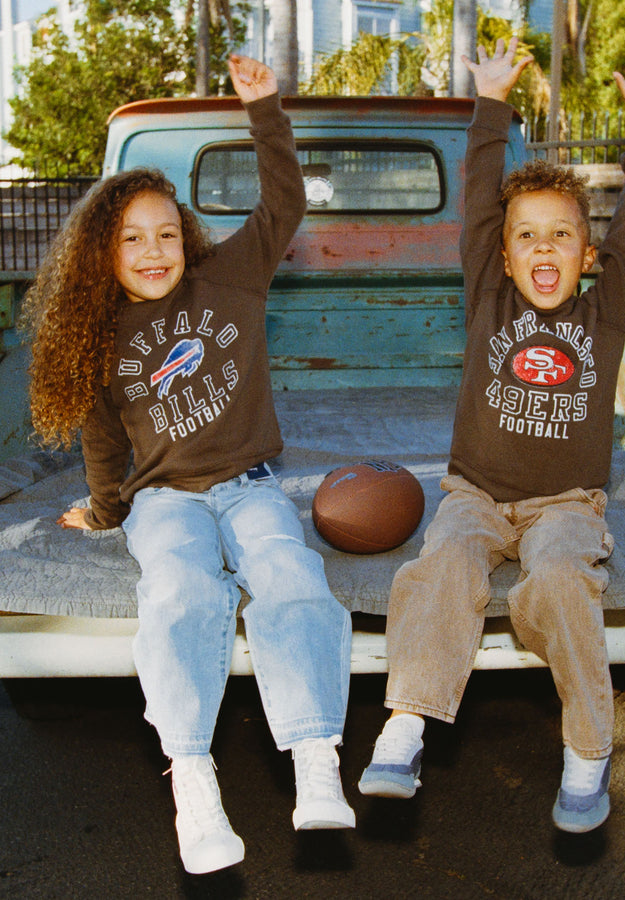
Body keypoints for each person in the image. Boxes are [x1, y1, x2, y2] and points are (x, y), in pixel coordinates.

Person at [22, 55, 355, 875]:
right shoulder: (100, 337)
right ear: (101, 255)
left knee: (290, 573)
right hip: (164, 500)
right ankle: (194, 781)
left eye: (167, 233)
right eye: (132, 238)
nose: (153, 250)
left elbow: (285, 204)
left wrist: (264, 108)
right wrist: (104, 512)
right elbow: (106, 448)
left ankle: (315, 757)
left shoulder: (229, 279)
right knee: (178, 591)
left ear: (188, 238)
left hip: (250, 487)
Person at [359, 38, 625, 834]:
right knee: (440, 569)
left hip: (566, 503)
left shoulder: (603, 312)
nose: (543, 247)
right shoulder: (489, 299)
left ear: (588, 255)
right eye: (526, 235)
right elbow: (476, 198)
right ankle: (407, 724)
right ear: (502, 254)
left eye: (561, 235)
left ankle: (588, 751)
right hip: (475, 494)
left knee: (562, 579)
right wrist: (491, 102)